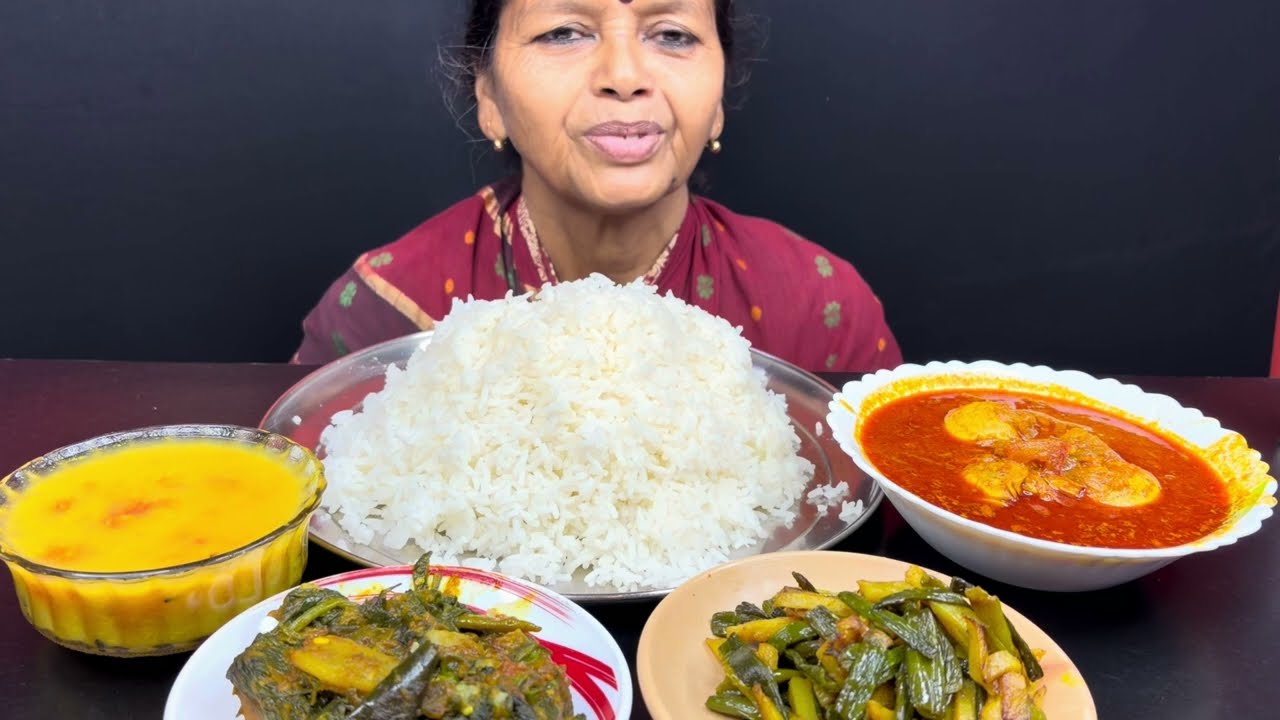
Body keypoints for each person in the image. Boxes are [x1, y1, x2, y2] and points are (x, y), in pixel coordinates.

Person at [294, 0, 901, 373]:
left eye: (672, 34)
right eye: (563, 31)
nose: (624, 75)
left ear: (717, 104)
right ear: (488, 98)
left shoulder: (823, 313)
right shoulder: (385, 311)